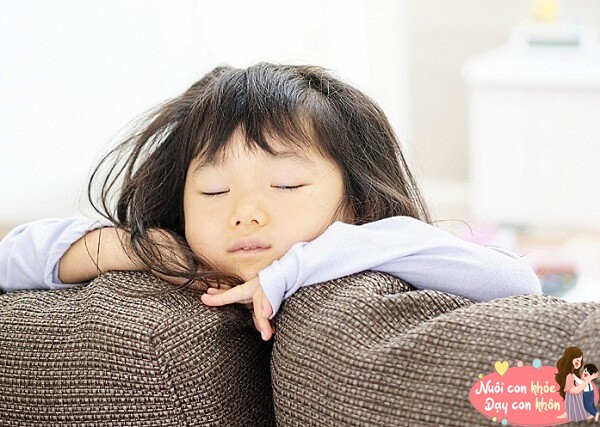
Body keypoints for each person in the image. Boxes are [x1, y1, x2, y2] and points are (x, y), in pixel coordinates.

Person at [0, 63, 541, 342]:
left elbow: (515, 281)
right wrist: (135, 247)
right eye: (214, 191)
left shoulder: (379, 247)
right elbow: (12, 256)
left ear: (356, 201)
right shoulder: (192, 258)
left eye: (286, 185)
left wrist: (301, 264)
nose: (244, 212)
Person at [555, 347, 600, 421]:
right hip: (573, 395)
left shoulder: (573, 374)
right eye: (577, 360)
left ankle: (590, 413)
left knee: (583, 405)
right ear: (570, 359)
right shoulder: (569, 375)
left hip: (577, 396)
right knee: (578, 405)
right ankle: (570, 413)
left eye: (580, 361)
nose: (579, 363)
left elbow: (575, 389)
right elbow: (573, 391)